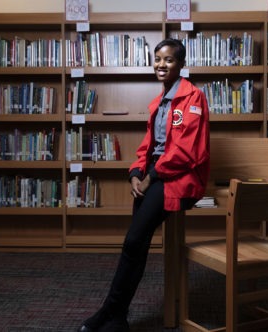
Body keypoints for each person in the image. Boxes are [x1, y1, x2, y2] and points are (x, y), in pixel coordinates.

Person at [78, 38, 210, 332]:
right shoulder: (158, 102)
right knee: (135, 245)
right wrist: (136, 172)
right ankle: (117, 316)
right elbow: (149, 145)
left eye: (169, 60)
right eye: (158, 59)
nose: (161, 65)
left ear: (181, 64)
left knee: (133, 242)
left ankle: (109, 312)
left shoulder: (194, 98)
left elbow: (187, 152)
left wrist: (151, 176)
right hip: (155, 175)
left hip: (178, 178)